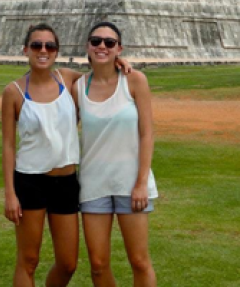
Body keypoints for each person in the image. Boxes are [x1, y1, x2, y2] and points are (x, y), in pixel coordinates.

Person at [1, 23, 131, 287]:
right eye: (36, 45)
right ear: (26, 49)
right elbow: (7, 145)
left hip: (66, 182)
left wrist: (118, 59)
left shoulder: (67, 79)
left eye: (49, 46)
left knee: (68, 263)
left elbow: (100, 69)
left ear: (57, 51)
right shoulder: (13, 92)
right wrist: (10, 194)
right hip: (30, 181)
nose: (43, 51)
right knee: (28, 260)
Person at [73, 22, 158, 287]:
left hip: (130, 183)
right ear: (87, 46)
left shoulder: (134, 80)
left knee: (139, 261)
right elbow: (46, 70)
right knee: (98, 265)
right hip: (93, 183)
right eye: (96, 41)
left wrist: (141, 183)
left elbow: (147, 133)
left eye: (110, 43)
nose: (102, 46)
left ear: (119, 48)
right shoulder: (78, 86)